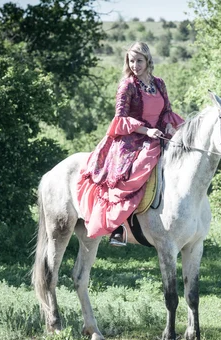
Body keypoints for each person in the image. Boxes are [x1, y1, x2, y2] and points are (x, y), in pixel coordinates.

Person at [77, 42, 184, 246]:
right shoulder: (128, 85)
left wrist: (169, 126)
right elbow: (120, 118)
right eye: (131, 61)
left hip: (158, 135)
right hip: (131, 139)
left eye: (139, 61)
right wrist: (147, 130)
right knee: (133, 174)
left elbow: (166, 112)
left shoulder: (159, 83)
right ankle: (120, 228)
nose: (135, 65)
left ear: (148, 61)